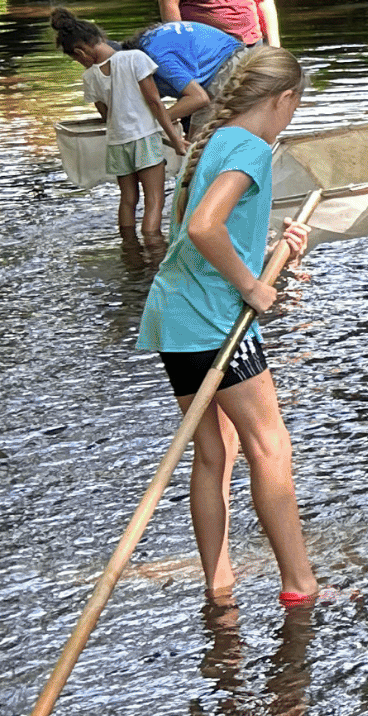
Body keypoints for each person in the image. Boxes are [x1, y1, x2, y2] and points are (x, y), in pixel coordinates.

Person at [134, 47, 335, 611]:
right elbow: (203, 227)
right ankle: (301, 585)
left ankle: (219, 588)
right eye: (298, 104)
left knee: (214, 451)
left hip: (175, 316)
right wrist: (251, 285)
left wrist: (274, 253)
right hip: (215, 321)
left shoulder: (214, 141)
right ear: (284, 99)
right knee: (270, 447)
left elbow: (197, 233)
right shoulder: (249, 147)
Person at [52, 10, 190, 245]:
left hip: (117, 143)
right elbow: (155, 102)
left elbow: (106, 115)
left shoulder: (90, 77)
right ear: (100, 39)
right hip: (145, 138)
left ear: (80, 52)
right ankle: (154, 248)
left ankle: (129, 249)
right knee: (154, 200)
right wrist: (175, 139)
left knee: (127, 200)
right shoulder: (134, 58)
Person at [132, 17, 245, 126]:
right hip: (232, 56)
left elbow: (199, 98)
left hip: (230, 64)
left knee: (198, 138)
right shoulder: (146, 44)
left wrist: (155, 123)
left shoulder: (156, 57)